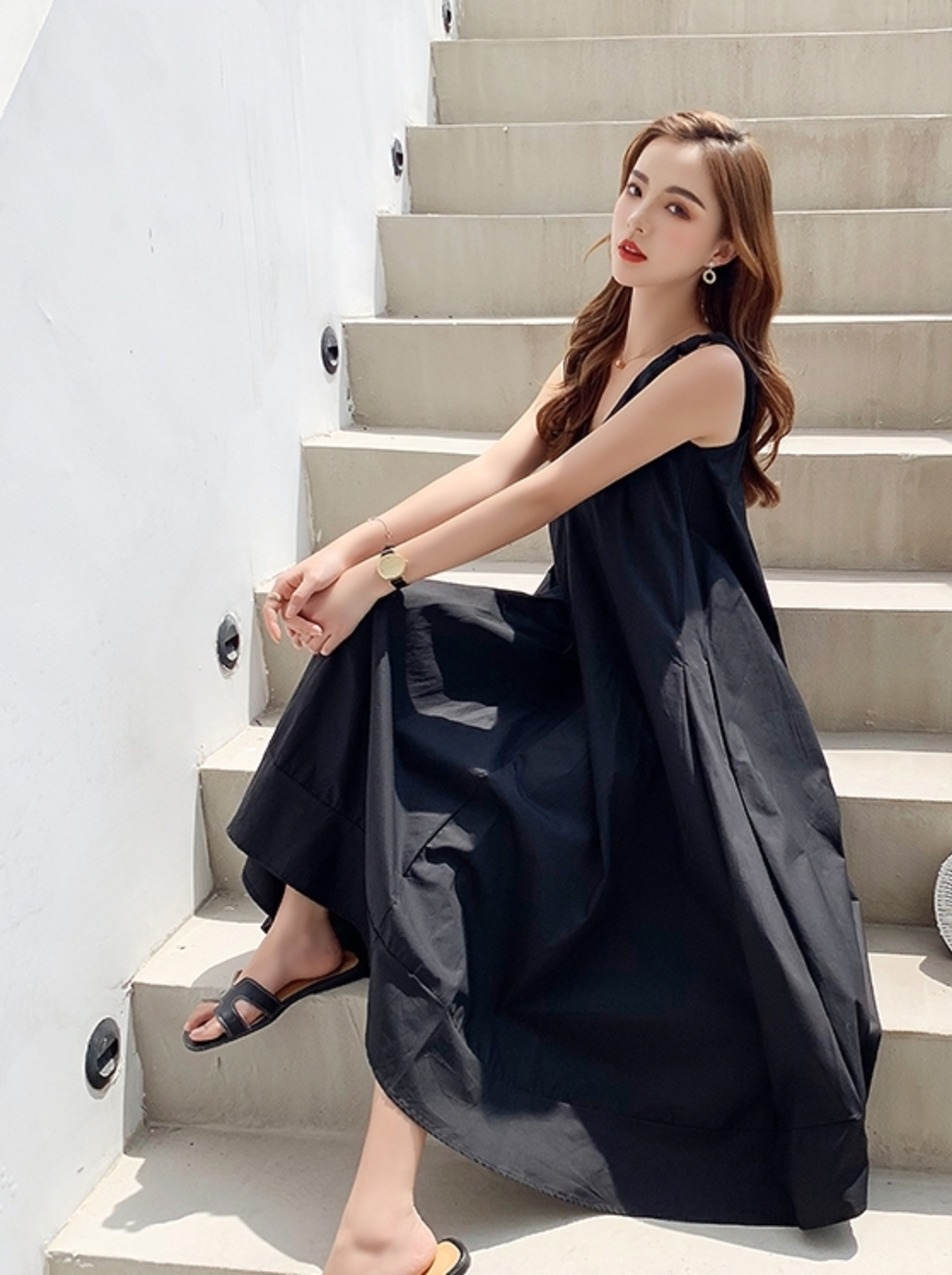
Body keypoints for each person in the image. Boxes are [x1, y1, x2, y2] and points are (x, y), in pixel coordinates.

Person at [182, 108, 881, 1275]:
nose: (638, 218)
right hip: (573, 641)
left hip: (670, 695)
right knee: (387, 634)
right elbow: (496, 465)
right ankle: (304, 928)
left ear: (724, 247)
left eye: (677, 207)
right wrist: (341, 555)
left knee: (462, 842)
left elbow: (545, 496)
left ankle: (377, 1222)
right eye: (634, 187)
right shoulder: (600, 337)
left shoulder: (710, 372)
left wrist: (376, 572)